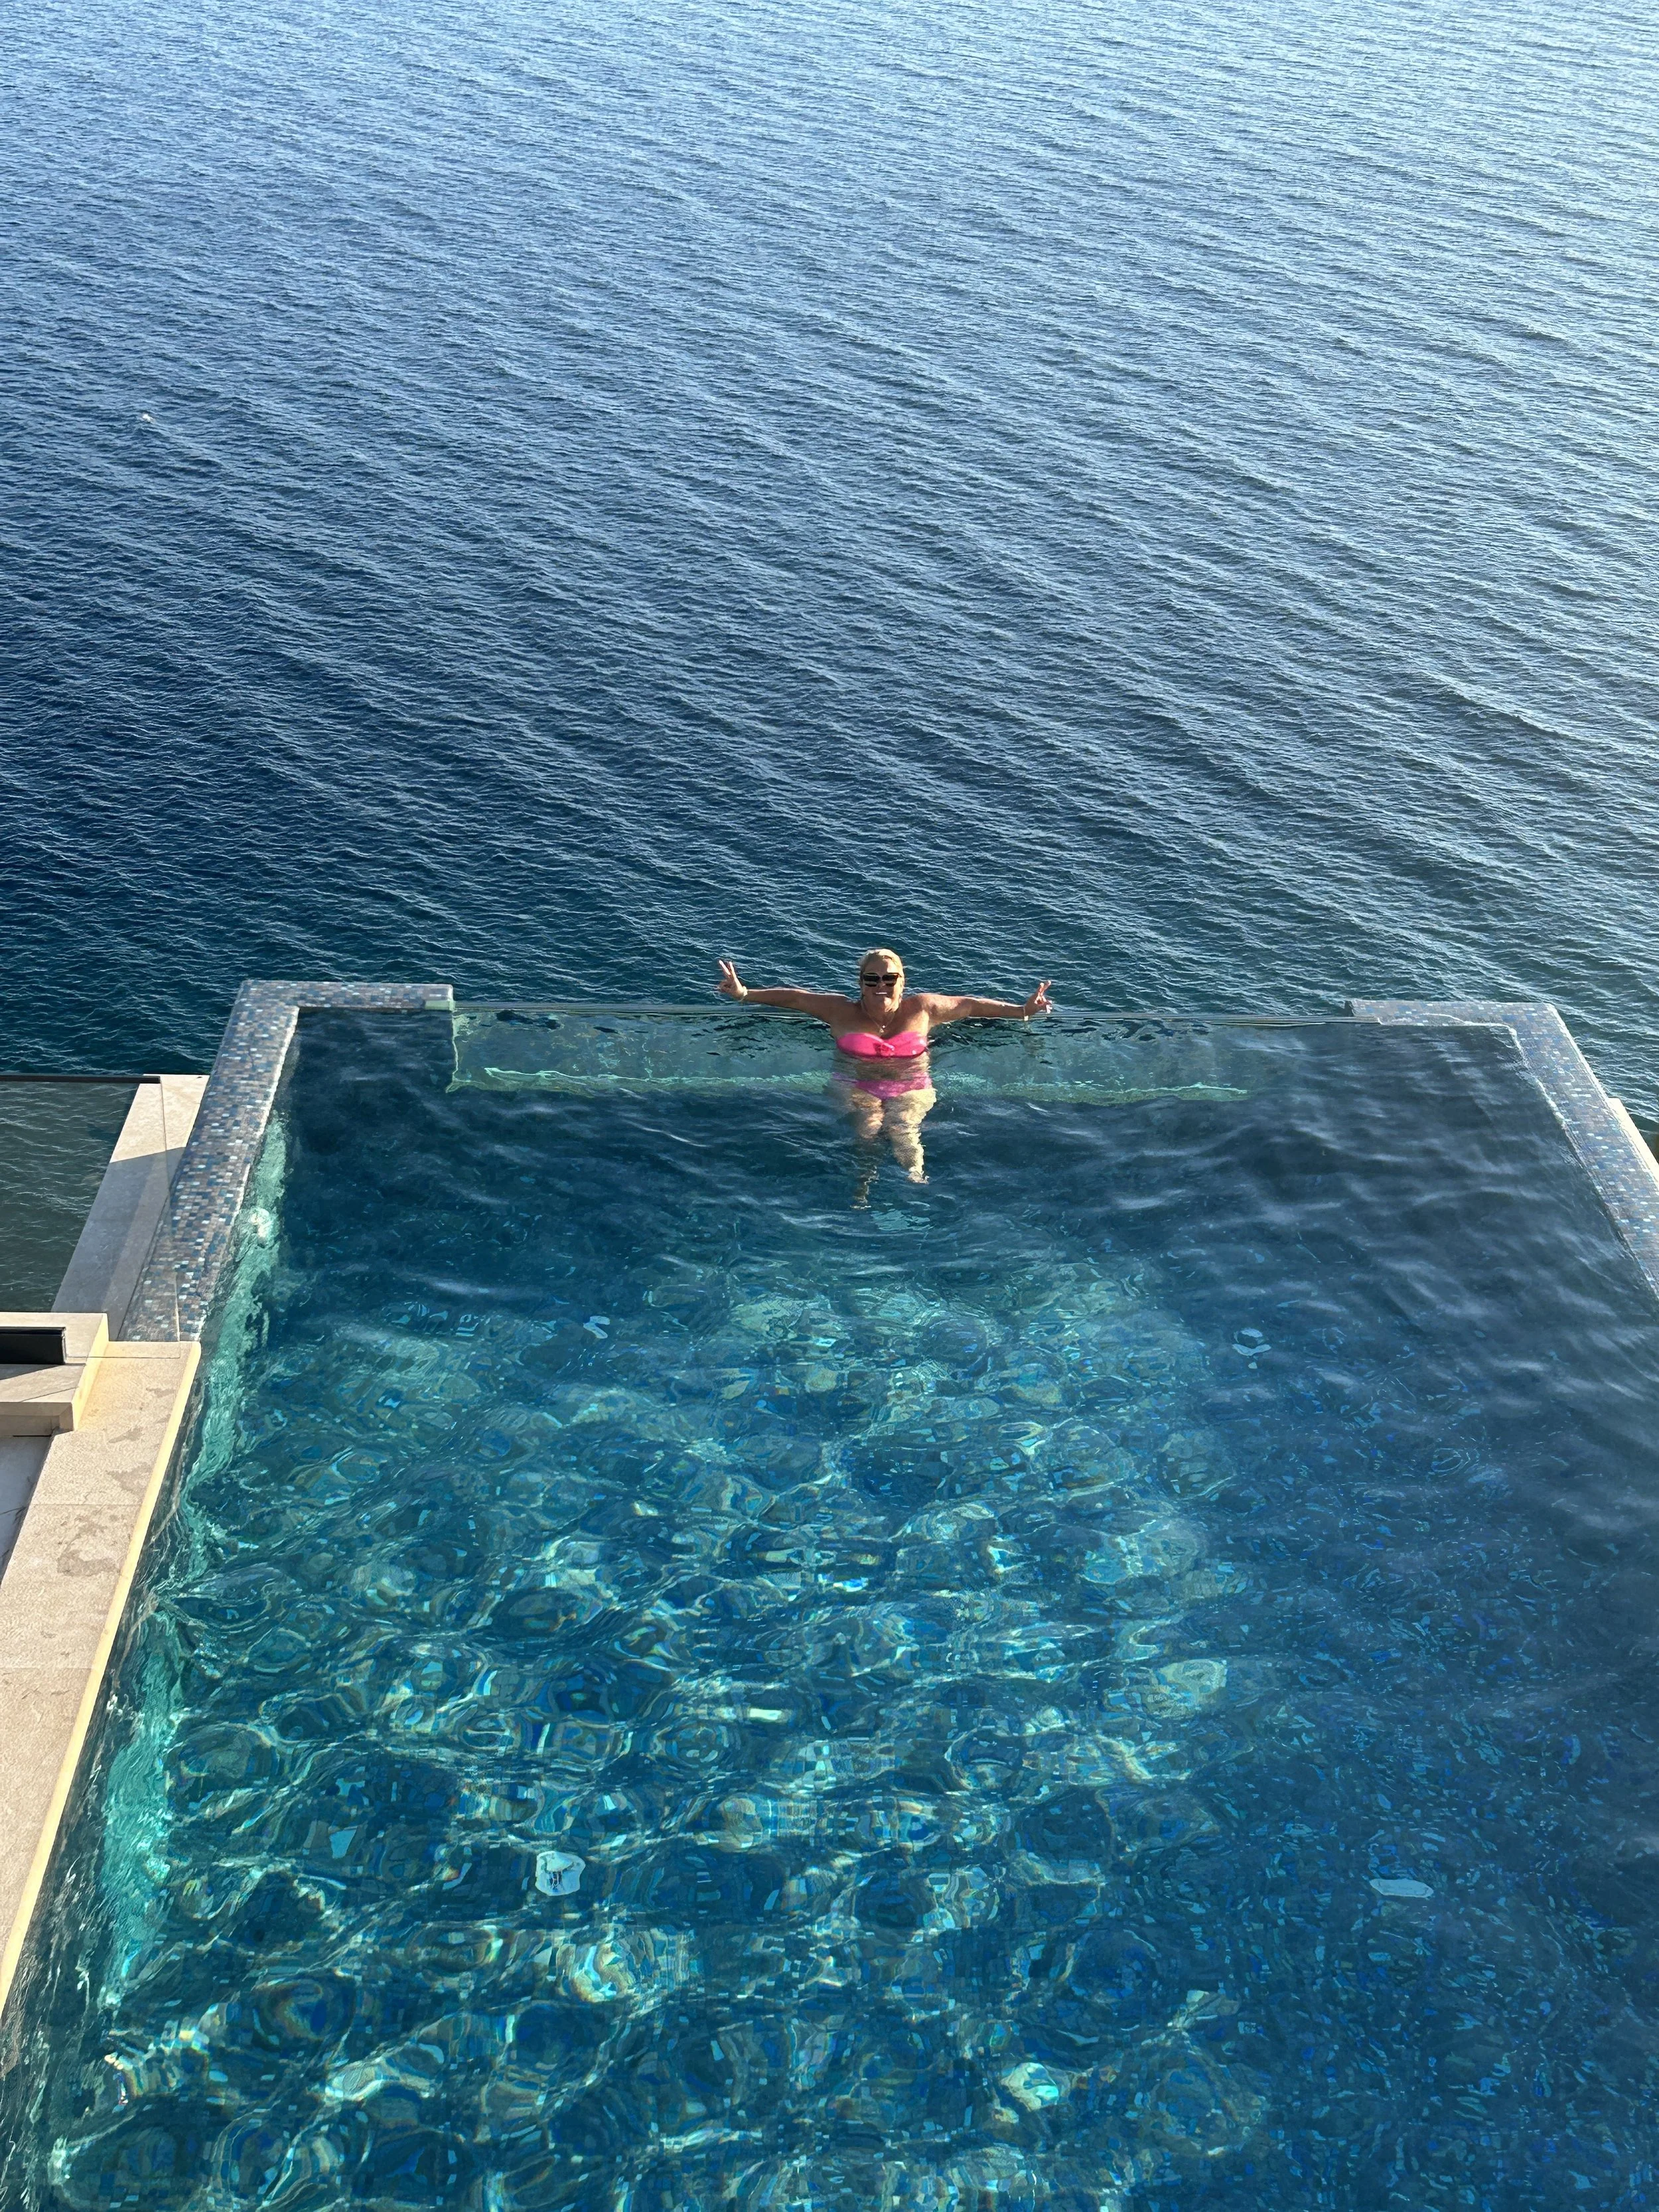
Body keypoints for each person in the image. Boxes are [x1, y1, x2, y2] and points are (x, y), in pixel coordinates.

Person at [716, 948, 1052, 1193]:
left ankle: (916, 1177)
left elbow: (971, 1005)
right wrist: (745, 994)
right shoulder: (839, 1010)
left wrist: (1023, 1010)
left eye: (890, 979)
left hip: (912, 1083)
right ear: (861, 983)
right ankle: (864, 1180)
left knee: (903, 1126)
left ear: (902, 982)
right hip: (854, 1082)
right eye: (872, 979)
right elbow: (796, 999)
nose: (881, 985)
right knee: (868, 1128)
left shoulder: (922, 1008)